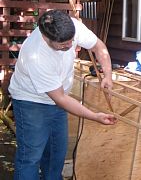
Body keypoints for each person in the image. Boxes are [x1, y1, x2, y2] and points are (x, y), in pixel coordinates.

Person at [8, 9, 117, 180]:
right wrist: (94, 116)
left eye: (71, 41)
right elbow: (60, 98)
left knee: (55, 156)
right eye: (63, 44)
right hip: (31, 102)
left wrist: (108, 76)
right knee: (31, 156)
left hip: (58, 99)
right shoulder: (36, 55)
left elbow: (98, 47)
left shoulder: (70, 25)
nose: (69, 46)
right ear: (46, 38)